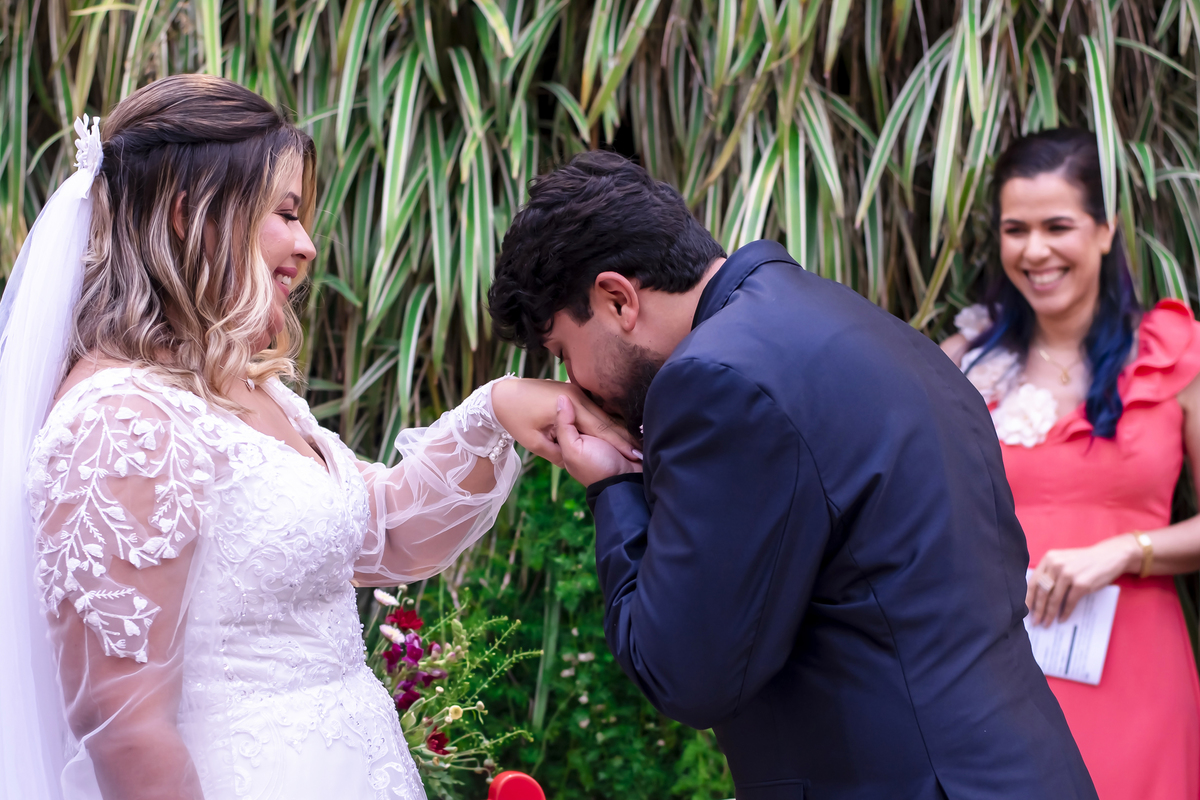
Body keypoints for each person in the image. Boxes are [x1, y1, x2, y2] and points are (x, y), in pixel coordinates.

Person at [0, 75, 633, 800]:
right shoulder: (119, 422)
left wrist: (498, 410)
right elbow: (124, 727)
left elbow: (385, 533)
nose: (306, 244)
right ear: (187, 214)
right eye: (285, 213)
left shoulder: (252, 391)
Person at [487, 151, 1097, 800]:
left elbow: (684, 673)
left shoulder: (713, 382)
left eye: (562, 352)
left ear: (617, 299)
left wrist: (612, 487)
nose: (572, 384)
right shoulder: (864, 327)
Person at [941, 127, 1200, 799]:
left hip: (1135, 675)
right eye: (1015, 229)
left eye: (1058, 226)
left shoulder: (1175, 353)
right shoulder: (963, 364)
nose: (1035, 251)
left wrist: (1122, 551)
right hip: (993, 673)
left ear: (1106, 229)